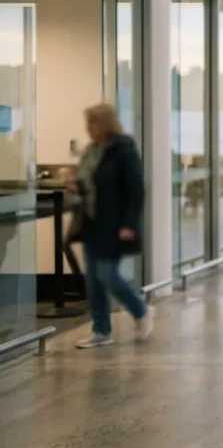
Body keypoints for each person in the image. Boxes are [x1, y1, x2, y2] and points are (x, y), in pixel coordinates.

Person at [72, 104, 152, 349]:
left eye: (93, 123)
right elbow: (90, 183)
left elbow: (136, 189)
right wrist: (77, 187)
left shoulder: (123, 150)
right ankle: (101, 331)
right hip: (92, 222)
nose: (88, 129)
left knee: (107, 273)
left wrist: (129, 223)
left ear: (104, 124)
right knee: (93, 280)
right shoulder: (92, 152)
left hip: (114, 224)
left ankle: (140, 310)